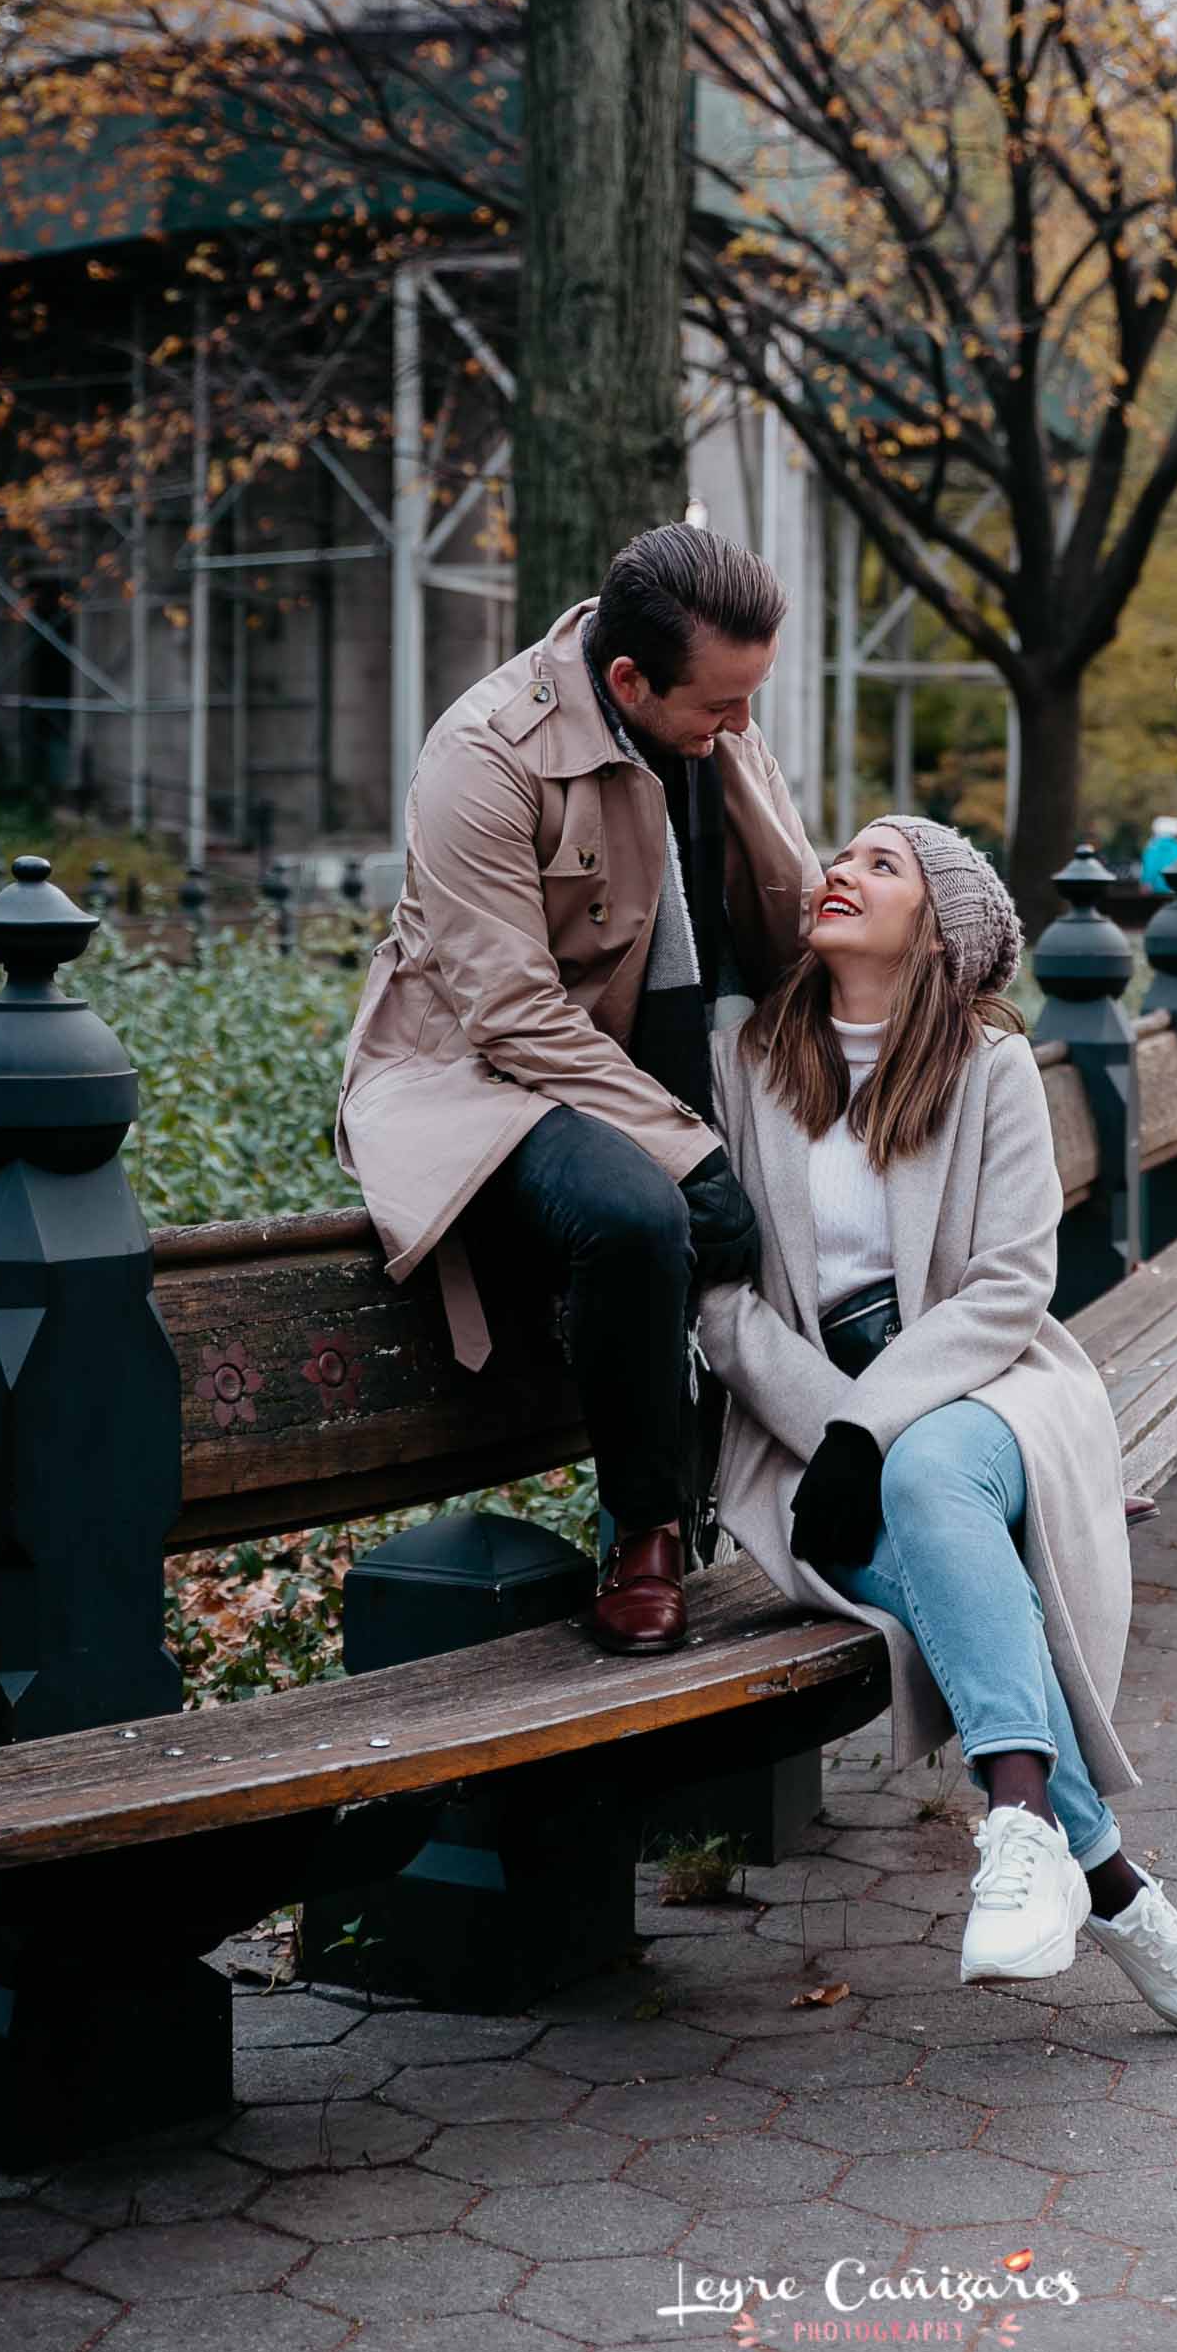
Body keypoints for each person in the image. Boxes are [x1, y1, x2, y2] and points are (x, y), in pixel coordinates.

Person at [696, 815, 1177, 2033]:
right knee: (925, 1512)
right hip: (800, 1421)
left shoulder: (988, 1064)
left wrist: (873, 1428)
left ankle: (1018, 1824)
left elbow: (1008, 1286)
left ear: (939, 927)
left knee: (934, 1464)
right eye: (837, 855)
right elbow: (723, 1304)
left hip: (988, 1386)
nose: (839, 871)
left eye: (879, 863)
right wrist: (838, 1429)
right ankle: (1102, 1876)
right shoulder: (744, 1059)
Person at [334, 524, 822, 1657]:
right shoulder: (483, 752)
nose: (742, 730)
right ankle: (645, 1533)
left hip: (668, 1062)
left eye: (751, 700)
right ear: (624, 681)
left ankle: (923, 1465)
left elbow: (786, 911)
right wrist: (688, 1149)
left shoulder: (711, 722)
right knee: (632, 1209)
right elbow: (508, 1016)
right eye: (719, 705)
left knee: (853, 1164)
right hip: (483, 1077)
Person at [1138, 813, 1177, 894]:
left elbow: (1150, 867)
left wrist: (1145, 882)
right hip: (1175, 890)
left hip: (1155, 890)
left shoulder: (1153, 847)